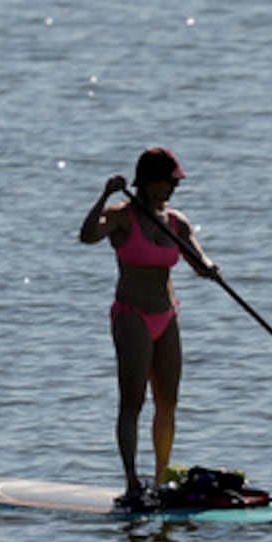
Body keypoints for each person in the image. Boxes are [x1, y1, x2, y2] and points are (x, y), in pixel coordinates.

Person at [78, 147, 220, 509]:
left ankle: (159, 481)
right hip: (132, 317)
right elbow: (88, 236)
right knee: (133, 402)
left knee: (168, 401)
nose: (174, 189)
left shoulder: (175, 222)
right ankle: (131, 485)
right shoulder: (121, 216)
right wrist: (104, 195)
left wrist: (209, 267)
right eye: (170, 182)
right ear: (150, 181)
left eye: (176, 183)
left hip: (166, 315)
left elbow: (197, 257)